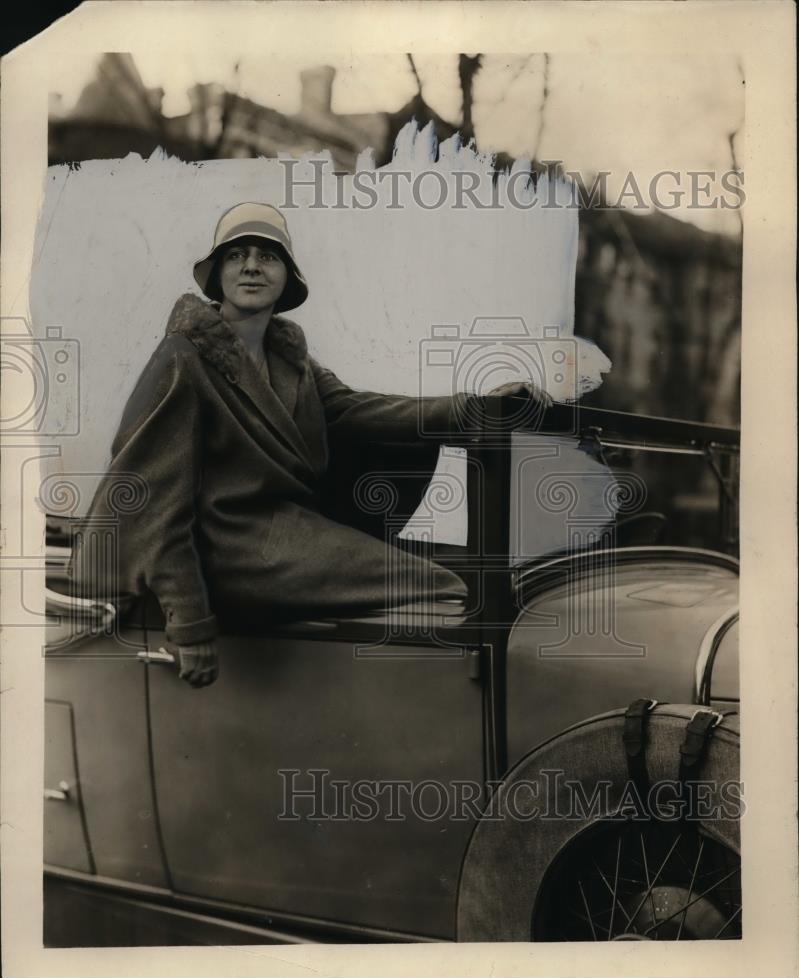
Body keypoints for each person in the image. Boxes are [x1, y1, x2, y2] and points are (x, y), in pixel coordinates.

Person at [70, 203, 550, 688]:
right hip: (223, 545)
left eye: (268, 256)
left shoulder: (289, 356)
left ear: (287, 278)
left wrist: (473, 408)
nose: (252, 266)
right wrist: (189, 623)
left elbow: (355, 409)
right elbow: (153, 498)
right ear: (217, 274)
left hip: (281, 531)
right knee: (439, 587)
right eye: (236, 255)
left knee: (444, 577)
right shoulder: (183, 357)